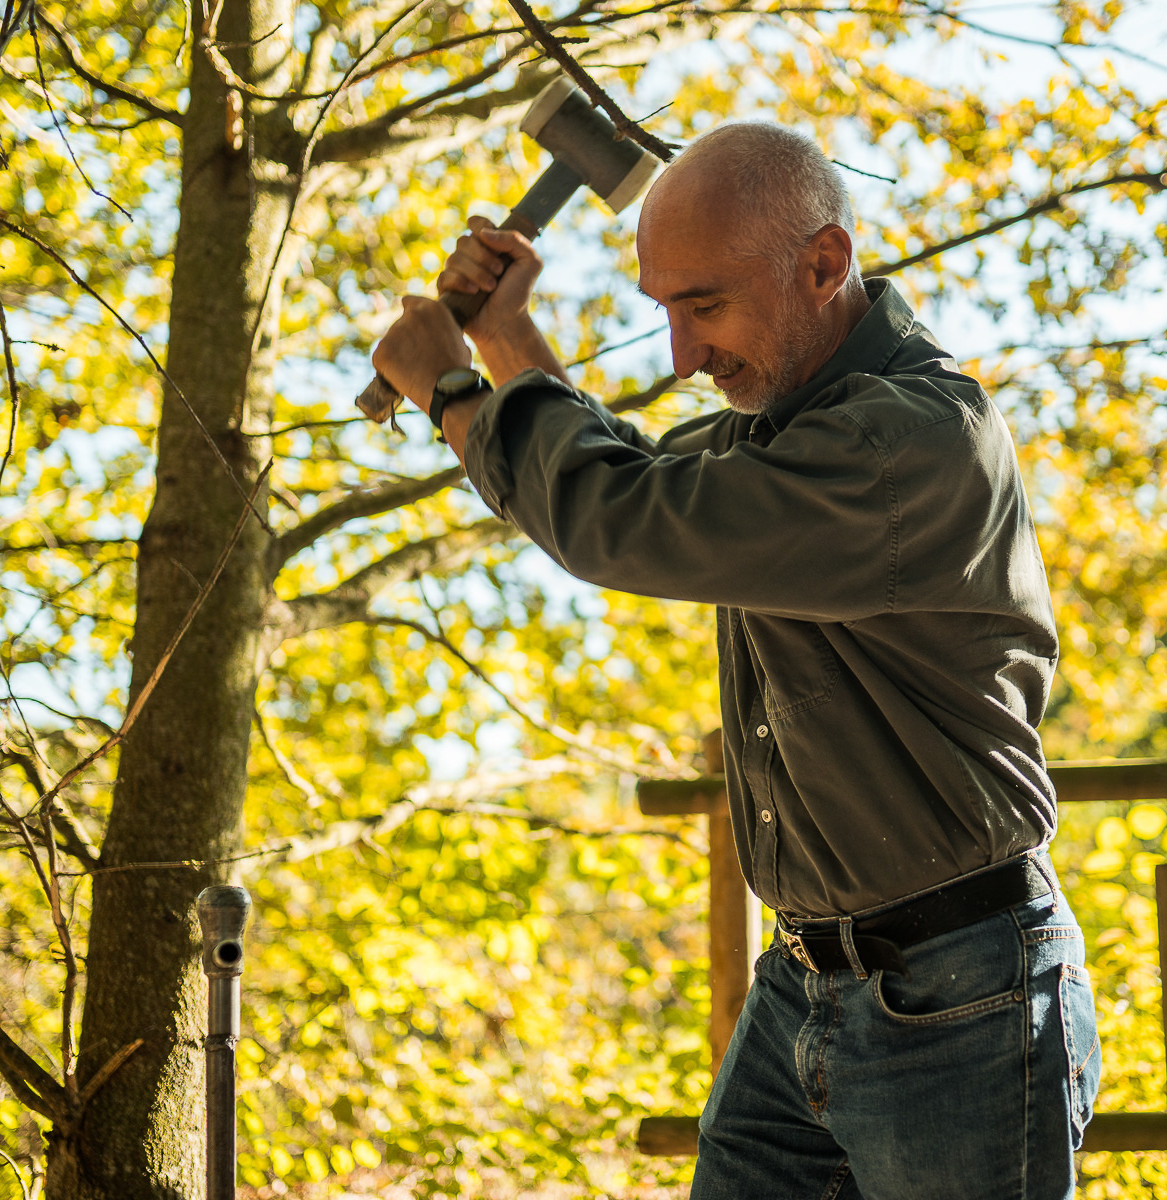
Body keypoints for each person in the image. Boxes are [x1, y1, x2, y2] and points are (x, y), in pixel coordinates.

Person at [372, 120, 1100, 1200]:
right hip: (807, 981)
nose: (681, 354)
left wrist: (452, 392)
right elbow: (625, 477)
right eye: (663, 311)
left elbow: (620, 516)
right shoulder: (785, 430)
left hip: (958, 996)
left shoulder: (900, 444)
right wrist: (507, 340)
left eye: (703, 306)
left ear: (823, 263)